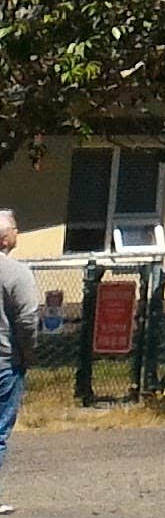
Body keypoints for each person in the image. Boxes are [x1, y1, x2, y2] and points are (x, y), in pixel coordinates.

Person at [0, 205, 35, 515]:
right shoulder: (16, 273)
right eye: (14, 228)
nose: (17, 233)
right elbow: (27, 320)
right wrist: (27, 354)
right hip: (3, 363)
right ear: (4, 239)